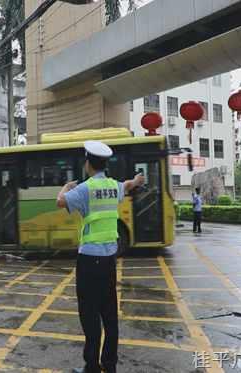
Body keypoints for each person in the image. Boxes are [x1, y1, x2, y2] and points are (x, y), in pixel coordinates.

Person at [56, 141, 145, 373]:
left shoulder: (85, 189)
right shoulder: (112, 186)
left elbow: (60, 202)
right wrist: (136, 181)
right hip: (109, 261)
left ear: (88, 164)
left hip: (88, 262)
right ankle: (110, 365)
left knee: (89, 315)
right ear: (105, 164)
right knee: (109, 314)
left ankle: (92, 367)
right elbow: (125, 186)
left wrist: (65, 187)